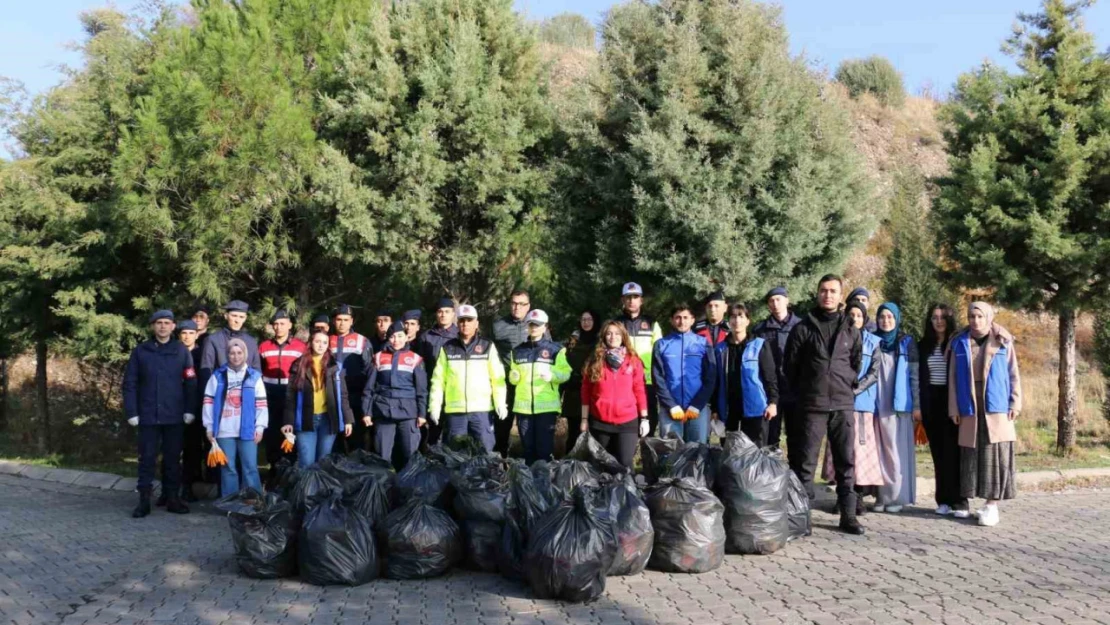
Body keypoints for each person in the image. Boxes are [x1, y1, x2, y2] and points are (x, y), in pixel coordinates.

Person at [784, 274, 864, 535]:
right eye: (823, 290)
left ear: (841, 296)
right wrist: (807, 391)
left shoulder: (851, 328)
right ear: (817, 293)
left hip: (842, 404)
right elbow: (790, 367)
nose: (827, 295)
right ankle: (801, 519)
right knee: (805, 464)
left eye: (832, 291)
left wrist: (845, 381)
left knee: (845, 462)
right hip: (812, 405)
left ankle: (848, 516)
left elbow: (856, 363)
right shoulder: (803, 328)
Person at [948, 302, 1021, 527]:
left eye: (980, 316)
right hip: (969, 405)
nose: (975, 321)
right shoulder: (959, 342)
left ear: (988, 317)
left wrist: (1015, 402)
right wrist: (954, 409)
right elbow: (952, 379)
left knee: (994, 455)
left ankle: (992, 505)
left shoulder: (1002, 340)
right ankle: (979, 501)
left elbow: (1013, 373)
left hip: (996, 405)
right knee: (972, 455)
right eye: (972, 316)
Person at [122, 310, 197, 518]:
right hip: (148, 415)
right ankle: (144, 501)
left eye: (167, 323)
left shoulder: (181, 351)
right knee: (146, 459)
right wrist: (132, 411)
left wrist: (190, 409)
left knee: (173, 459)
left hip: (174, 415)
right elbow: (130, 383)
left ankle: (172, 498)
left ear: (173, 327)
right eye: (159, 323)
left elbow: (191, 383)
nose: (163, 326)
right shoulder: (141, 351)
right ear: (153, 326)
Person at [855, 303, 919, 513]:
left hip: (897, 405)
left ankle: (896, 497)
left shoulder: (906, 342)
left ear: (897, 318)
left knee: (895, 450)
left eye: (890, 317)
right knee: (879, 452)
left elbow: (914, 377)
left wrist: (917, 405)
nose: (886, 321)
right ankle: (881, 497)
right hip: (874, 403)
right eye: (882, 317)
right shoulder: (872, 341)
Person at [821, 301, 885, 514]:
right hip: (838, 403)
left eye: (859, 315)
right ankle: (842, 497)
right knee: (840, 451)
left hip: (862, 405)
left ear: (865, 319)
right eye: (851, 315)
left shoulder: (873, 342)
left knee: (859, 453)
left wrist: (854, 390)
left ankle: (857, 496)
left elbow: (874, 373)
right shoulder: (837, 338)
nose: (855, 319)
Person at [429, 305, 508, 451]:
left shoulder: (487, 346)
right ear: (457, 323)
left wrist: (500, 402)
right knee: (456, 455)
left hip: (481, 411)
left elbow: (497, 378)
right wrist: (435, 405)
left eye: (469, 320)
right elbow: (438, 380)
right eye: (462, 320)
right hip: (455, 412)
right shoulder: (447, 347)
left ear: (476, 323)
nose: (465, 324)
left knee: (485, 452)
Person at [202, 338, 268, 497]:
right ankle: (230, 502)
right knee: (228, 468)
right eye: (232, 353)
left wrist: (260, 427)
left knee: (250, 467)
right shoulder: (218, 376)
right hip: (224, 430)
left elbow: (261, 404)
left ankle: (253, 501)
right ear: (227, 355)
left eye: (239, 353)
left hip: (248, 430)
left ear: (245, 354)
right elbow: (208, 402)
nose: (236, 356)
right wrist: (209, 426)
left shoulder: (254, 376)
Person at [580, 321, 649, 469]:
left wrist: (644, 418)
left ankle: (626, 492)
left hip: (627, 421)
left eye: (617, 333)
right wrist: (584, 419)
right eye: (609, 333)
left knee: (625, 464)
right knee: (600, 464)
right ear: (604, 336)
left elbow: (639, 390)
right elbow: (585, 391)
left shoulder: (633, 361)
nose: (613, 337)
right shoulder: (594, 360)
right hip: (600, 421)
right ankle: (603, 492)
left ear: (623, 336)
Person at [919, 304, 966, 517]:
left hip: (952, 403)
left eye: (942, 317)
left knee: (955, 453)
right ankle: (943, 500)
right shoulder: (924, 346)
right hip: (932, 404)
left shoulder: (957, 343)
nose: (938, 321)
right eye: (934, 317)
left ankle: (960, 500)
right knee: (938, 455)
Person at [507, 310, 571, 464]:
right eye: (531, 324)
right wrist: (513, 377)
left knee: (544, 450)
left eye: (538, 325)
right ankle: (529, 485)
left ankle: (544, 483)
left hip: (546, 408)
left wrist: (553, 376)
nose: (534, 327)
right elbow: (513, 377)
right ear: (527, 326)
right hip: (523, 408)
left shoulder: (556, 350)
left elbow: (566, 373)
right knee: (528, 449)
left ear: (545, 327)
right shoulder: (517, 350)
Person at [283, 330, 355, 467]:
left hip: (327, 420)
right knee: (306, 462)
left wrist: (348, 420)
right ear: (310, 343)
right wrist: (288, 421)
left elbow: (343, 395)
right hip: (306, 420)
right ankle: (306, 489)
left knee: (323, 462)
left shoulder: (335, 366)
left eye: (324, 342)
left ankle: (321, 489)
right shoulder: (298, 365)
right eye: (317, 341)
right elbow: (290, 396)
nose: (321, 345)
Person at [363, 322, 428, 469]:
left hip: (408, 413)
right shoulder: (378, 357)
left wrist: (422, 414)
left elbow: (422, 390)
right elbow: (369, 388)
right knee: (382, 455)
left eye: (399, 336)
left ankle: (408, 489)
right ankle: (385, 488)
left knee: (410, 454)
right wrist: (367, 412)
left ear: (406, 337)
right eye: (392, 337)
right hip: (383, 411)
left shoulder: (415, 359)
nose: (396, 340)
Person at [711, 303, 778, 447]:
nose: (737, 321)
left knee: (755, 451)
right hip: (728, 409)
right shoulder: (720, 349)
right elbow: (716, 382)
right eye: (733, 317)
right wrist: (715, 409)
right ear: (729, 321)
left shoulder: (759, 345)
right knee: (729, 450)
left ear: (748, 321)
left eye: (741, 316)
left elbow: (770, 377)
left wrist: (773, 402)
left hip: (755, 407)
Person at [492, 289, 549, 456]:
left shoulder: (536, 323)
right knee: (502, 427)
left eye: (522, 304)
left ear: (528, 306)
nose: (517, 307)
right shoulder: (498, 325)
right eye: (514, 303)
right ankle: (500, 464)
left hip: (530, 385)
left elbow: (547, 350)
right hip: (506, 384)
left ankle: (531, 465)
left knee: (529, 429)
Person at [652, 304, 717, 444]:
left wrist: (697, 404)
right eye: (678, 318)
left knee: (698, 450)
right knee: (670, 451)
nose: (682, 321)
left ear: (693, 320)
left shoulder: (703, 343)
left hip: (697, 408)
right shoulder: (661, 344)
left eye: (686, 317)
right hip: (670, 408)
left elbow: (710, 377)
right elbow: (658, 378)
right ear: (671, 320)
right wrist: (671, 405)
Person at [258, 310, 307, 487]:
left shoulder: (300, 347)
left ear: (290, 325)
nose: (278, 327)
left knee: (289, 435)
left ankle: (289, 475)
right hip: (270, 396)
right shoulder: (263, 346)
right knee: (271, 436)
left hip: (291, 395)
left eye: (282, 323)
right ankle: (273, 474)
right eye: (275, 324)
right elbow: (259, 371)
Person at [752, 286, 802, 449]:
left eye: (778, 299)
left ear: (787, 301)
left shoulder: (802, 326)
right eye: (771, 301)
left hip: (795, 388)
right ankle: (770, 471)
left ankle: (796, 472)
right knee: (770, 436)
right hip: (770, 390)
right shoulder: (760, 330)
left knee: (796, 435)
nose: (775, 304)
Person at [615, 283, 663, 435]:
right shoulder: (616, 323)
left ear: (641, 300)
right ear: (623, 300)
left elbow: (660, 353)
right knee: (626, 424)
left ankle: (647, 457)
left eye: (635, 297)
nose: (631, 300)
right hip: (624, 382)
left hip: (647, 382)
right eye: (628, 297)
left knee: (649, 422)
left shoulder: (651, 323)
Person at [415, 298, 458, 448]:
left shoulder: (459, 335)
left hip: (455, 391)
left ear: (453, 314)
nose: (443, 315)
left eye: (447, 312)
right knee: (432, 429)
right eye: (440, 312)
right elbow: (419, 366)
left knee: (453, 431)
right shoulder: (426, 336)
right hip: (432, 390)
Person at [330, 304, 373, 451]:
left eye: (346, 320)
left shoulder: (362, 341)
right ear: (334, 321)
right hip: (333, 395)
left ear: (352, 321)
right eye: (339, 319)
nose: (342, 323)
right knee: (336, 436)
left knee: (357, 435)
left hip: (355, 394)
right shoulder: (327, 341)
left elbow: (369, 370)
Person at [561, 309, 600, 454]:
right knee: (574, 433)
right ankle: (571, 467)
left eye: (589, 319)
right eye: (583, 319)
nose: (586, 322)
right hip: (574, 392)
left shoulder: (600, 342)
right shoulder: (572, 342)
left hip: (594, 392)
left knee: (595, 434)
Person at [199, 300, 261, 385]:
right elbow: (206, 372)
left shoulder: (251, 342)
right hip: (220, 392)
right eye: (234, 316)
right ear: (226, 316)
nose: (237, 320)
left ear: (245, 318)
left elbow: (256, 371)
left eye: (241, 317)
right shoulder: (213, 340)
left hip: (246, 392)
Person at [177, 319, 205, 503]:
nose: (187, 337)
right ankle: (169, 488)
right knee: (172, 449)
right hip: (174, 407)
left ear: (197, 334)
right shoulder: (173, 353)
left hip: (197, 406)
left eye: (191, 333)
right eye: (184, 333)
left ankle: (188, 486)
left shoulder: (202, 354)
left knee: (193, 449)